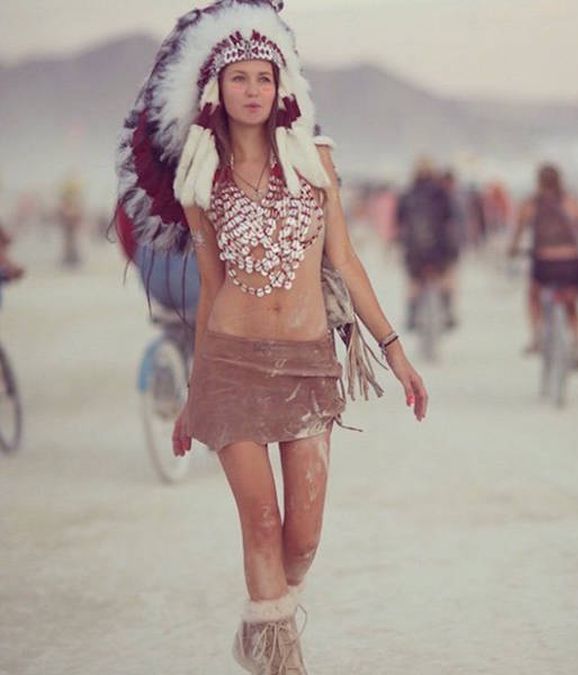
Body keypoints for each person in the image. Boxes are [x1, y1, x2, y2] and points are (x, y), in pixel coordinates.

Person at [114, 2, 428, 672]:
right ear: (216, 90)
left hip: (308, 366)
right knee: (259, 525)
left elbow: (344, 260)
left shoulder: (315, 160)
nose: (252, 90)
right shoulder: (200, 179)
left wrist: (395, 350)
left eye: (264, 77)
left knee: (303, 538)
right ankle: (278, 657)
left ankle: (261, 623)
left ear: (281, 85)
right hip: (230, 365)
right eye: (239, 78)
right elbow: (206, 292)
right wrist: (194, 393)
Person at [508, 164, 578, 368]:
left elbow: (518, 232)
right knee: (571, 305)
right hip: (571, 262)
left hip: (544, 263)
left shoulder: (532, 204)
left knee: (534, 295)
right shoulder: (571, 202)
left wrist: (514, 250)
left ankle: (536, 337)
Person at [396, 159, 459, 330]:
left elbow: (399, 222)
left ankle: (412, 314)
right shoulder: (442, 193)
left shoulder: (407, 193)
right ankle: (447, 310)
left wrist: (396, 245)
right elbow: (451, 220)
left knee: (414, 281)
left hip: (414, 248)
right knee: (446, 275)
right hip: (439, 246)